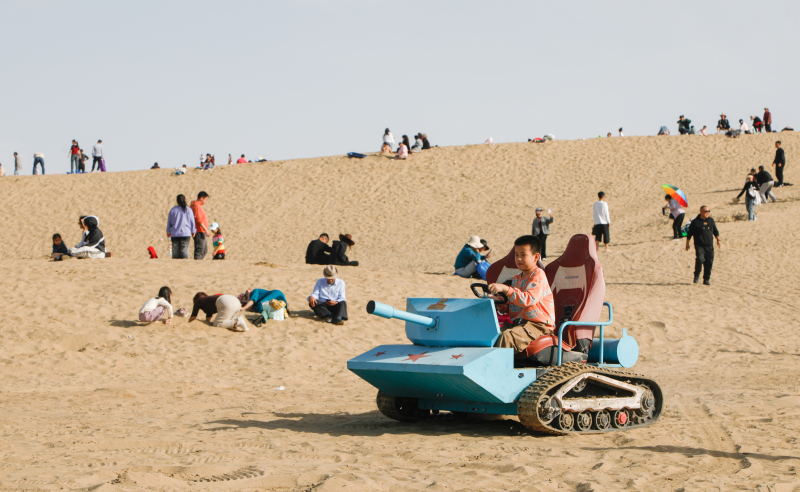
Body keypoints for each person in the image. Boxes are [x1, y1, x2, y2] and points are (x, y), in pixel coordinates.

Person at [487, 235, 555, 358]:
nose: (518, 258)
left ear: (536, 257)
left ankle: (498, 372)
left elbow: (528, 299)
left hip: (538, 326)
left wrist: (506, 289)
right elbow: (516, 304)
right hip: (519, 324)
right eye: (516, 255)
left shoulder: (538, 275)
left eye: (523, 255)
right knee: (490, 333)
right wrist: (502, 304)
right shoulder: (516, 279)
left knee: (507, 337)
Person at [685, 206, 721, 285]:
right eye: (706, 211)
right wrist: (687, 243)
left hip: (709, 245)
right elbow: (690, 233)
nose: (707, 212)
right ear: (701, 211)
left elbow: (715, 231)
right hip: (699, 245)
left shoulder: (711, 220)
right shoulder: (695, 222)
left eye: (709, 211)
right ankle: (696, 275)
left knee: (709, 262)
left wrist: (718, 240)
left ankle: (706, 279)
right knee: (700, 259)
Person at [166, 194, 196, 259]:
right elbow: (192, 221)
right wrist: (193, 231)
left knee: (175, 253)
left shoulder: (173, 210)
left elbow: (169, 222)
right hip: (186, 233)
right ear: (185, 200)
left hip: (175, 233)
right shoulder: (188, 210)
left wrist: (168, 231)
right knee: (185, 252)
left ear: (177, 201)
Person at [190, 191, 210, 260]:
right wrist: (206, 229)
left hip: (201, 231)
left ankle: (198, 263)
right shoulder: (196, 206)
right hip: (199, 231)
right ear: (201, 198)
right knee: (199, 250)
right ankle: (196, 265)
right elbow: (198, 219)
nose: (206, 201)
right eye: (205, 199)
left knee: (204, 250)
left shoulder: (197, 205)